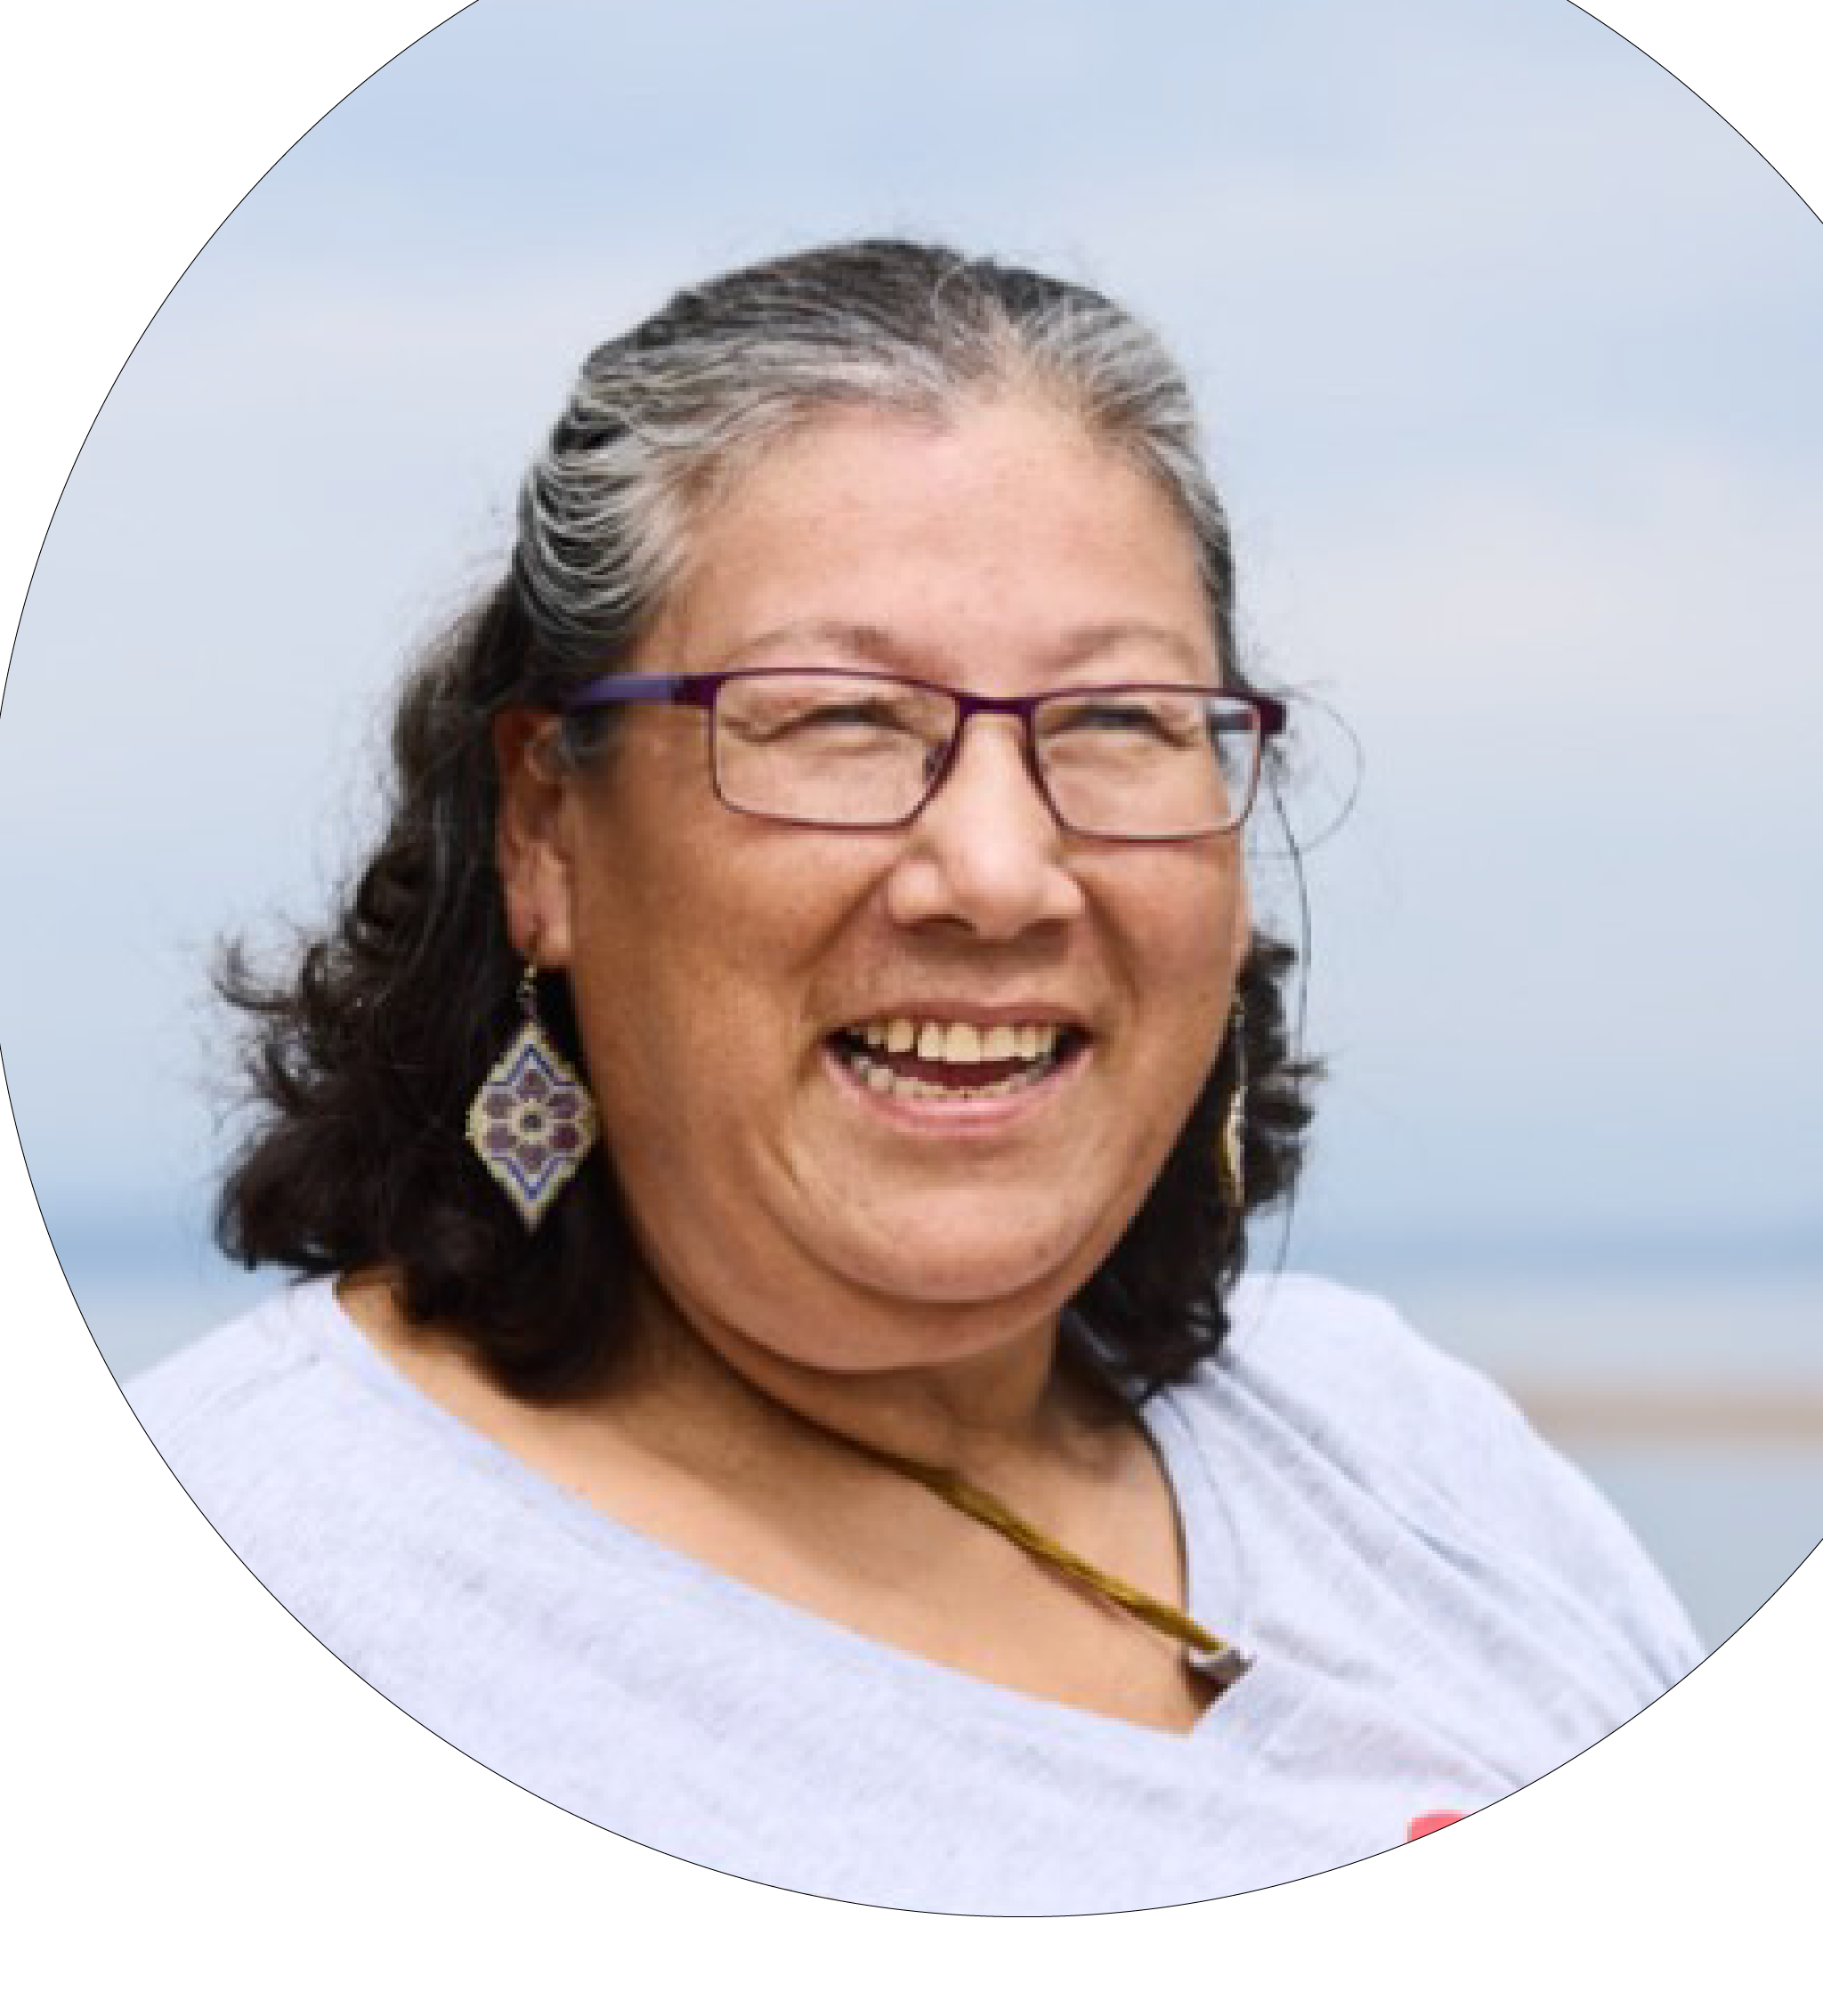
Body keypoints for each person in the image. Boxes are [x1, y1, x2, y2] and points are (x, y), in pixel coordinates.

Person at [126, 239, 1702, 1909]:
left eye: (1116, 720)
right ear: (548, 833)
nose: (999, 870)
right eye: (839, 720)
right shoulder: (294, 1546)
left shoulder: (1402, 1446)